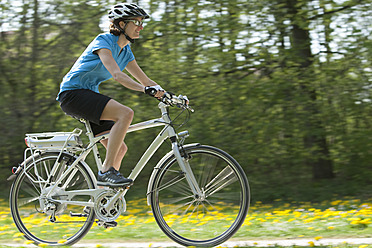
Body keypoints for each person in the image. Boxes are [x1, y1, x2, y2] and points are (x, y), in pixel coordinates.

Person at [57, 3, 164, 187]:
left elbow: (146, 80)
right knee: (125, 113)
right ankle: (106, 171)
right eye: (136, 22)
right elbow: (117, 75)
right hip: (72, 94)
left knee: (120, 149)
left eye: (141, 23)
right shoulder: (104, 41)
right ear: (122, 24)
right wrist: (145, 90)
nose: (141, 27)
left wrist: (169, 95)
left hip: (87, 96)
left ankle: (101, 203)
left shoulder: (125, 52)